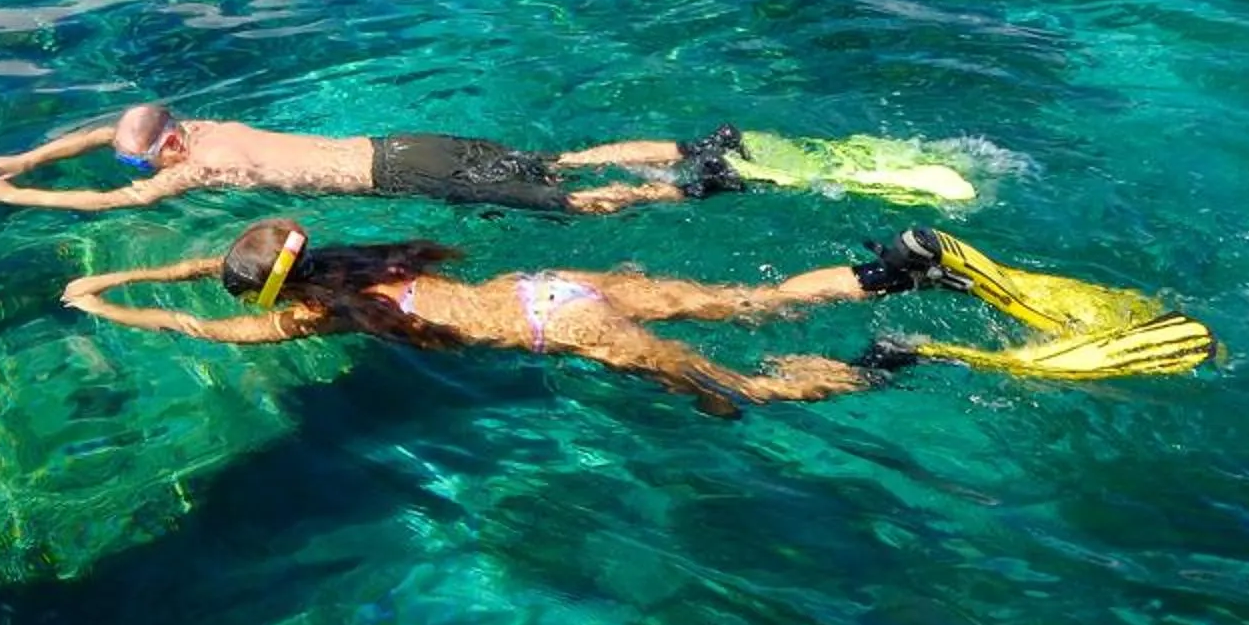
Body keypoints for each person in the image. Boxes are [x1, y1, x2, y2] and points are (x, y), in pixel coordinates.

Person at [56, 218, 978, 413]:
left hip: (565, 331)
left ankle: (885, 361)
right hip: (561, 285)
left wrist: (106, 300)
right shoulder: (358, 260)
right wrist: (156, 264)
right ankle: (894, 269)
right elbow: (230, 273)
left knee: (732, 389)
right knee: (758, 302)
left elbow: (200, 328)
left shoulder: (319, 315)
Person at [0, 102, 746, 216]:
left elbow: (111, 203)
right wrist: (25, 157)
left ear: (167, 150)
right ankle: (695, 146)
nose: (142, 172)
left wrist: (7, 195)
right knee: (560, 159)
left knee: (563, 201)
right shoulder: (192, 126)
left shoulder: (203, 164)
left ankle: (693, 188)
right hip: (403, 141)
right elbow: (106, 133)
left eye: (145, 163)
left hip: (401, 174)